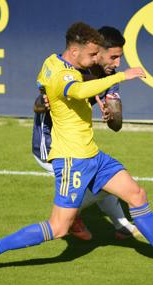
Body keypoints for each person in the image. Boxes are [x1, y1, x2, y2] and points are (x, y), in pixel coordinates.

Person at [0, 22, 153, 275]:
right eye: (93, 54)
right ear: (75, 52)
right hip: (72, 161)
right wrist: (122, 75)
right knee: (58, 228)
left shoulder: (60, 63)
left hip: (93, 156)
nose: (97, 59)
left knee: (136, 194)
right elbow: (76, 90)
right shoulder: (63, 74)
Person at [32, 26, 140, 241]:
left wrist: (112, 112)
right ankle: (73, 216)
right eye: (114, 57)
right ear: (97, 52)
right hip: (50, 144)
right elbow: (40, 102)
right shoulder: (68, 69)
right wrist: (42, 103)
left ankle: (121, 226)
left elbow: (116, 125)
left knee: (107, 180)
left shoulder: (109, 78)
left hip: (78, 147)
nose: (118, 64)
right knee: (104, 183)